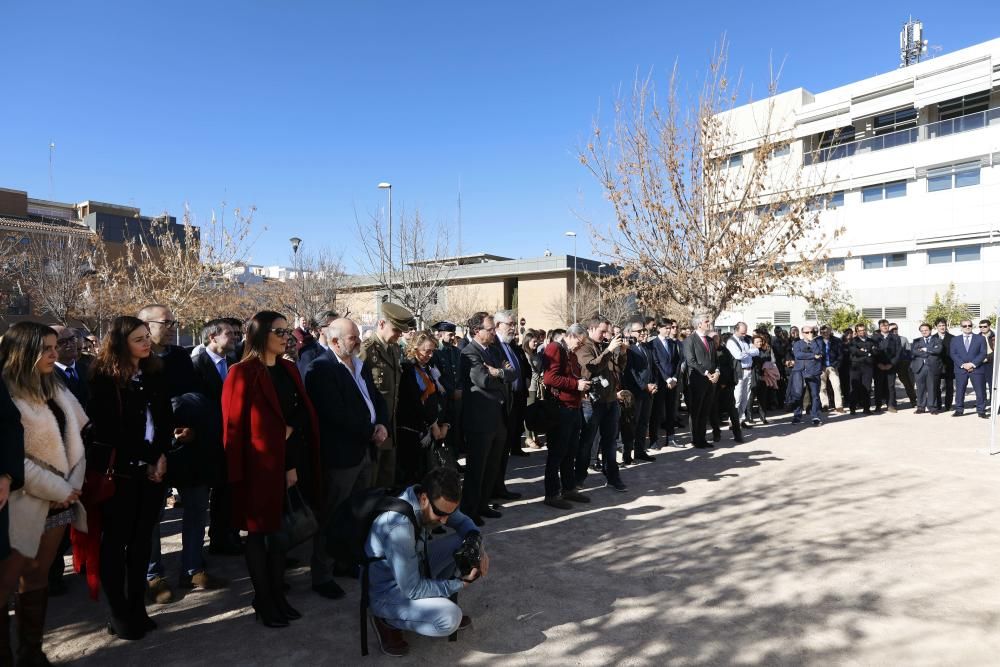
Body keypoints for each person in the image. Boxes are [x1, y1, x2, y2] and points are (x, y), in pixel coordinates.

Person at [222, 311, 321, 628]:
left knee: (280, 535)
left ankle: (276, 594)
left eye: (287, 332)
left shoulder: (289, 369)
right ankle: (264, 599)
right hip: (258, 469)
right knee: (258, 533)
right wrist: (236, 474)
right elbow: (233, 429)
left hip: (289, 463)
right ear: (260, 334)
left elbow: (304, 413)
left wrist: (289, 436)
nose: (286, 337)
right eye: (279, 331)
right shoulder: (241, 373)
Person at [0, 322, 87, 663]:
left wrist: (72, 486)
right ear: (22, 352)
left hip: (60, 502)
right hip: (21, 501)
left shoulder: (56, 386)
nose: (55, 353)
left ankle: (31, 653)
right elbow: (11, 455)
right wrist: (59, 488)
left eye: (56, 346)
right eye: (46, 348)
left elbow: (76, 436)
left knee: (37, 578)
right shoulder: (6, 391)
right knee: (4, 586)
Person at [87, 316, 171, 640]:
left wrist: (161, 455)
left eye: (147, 336)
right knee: (116, 545)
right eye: (138, 338)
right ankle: (119, 613)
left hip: (151, 474)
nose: (146, 343)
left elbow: (165, 418)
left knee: (140, 545)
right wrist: (150, 457)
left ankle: (138, 608)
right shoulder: (103, 377)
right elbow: (110, 429)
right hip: (120, 473)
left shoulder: (155, 372)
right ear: (121, 342)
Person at [306, 317, 388, 601]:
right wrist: (370, 431)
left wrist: (382, 424)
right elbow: (335, 414)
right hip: (342, 456)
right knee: (333, 514)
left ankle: (345, 561)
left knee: (357, 512)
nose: (358, 341)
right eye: (353, 337)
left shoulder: (359, 365)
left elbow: (376, 399)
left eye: (357, 336)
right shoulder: (322, 369)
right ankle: (322, 574)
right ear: (335, 340)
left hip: (366, 450)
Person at [366, 467, 486, 657]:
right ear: (423, 499)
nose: (445, 521)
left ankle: (435, 601)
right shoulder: (398, 526)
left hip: (415, 566)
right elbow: (412, 589)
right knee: (449, 618)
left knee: (465, 542)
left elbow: (465, 525)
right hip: (389, 590)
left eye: (450, 512)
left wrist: (479, 548)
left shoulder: (435, 499)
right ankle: (385, 619)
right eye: (440, 513)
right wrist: (459, 584)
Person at [138, 304, 198, 604]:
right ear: (145, 325)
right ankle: (153, 574)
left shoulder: (180, 356)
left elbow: (193, 394)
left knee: (196, 506)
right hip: (151, 449)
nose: (173, 325)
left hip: (185, 443)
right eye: (166, 321)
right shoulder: (135, 362)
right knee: (153, 514)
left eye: (174, 320)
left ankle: (192, 569)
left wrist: (189, 426)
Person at [192, 319, 245, 557]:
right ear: (212, 337)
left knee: (231, 491)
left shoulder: (235, 363)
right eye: (229, 334)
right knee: (214, 493)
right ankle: (217, 539)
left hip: (233, 440)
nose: (235, 337)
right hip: (208, 440)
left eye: (236, 334)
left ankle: (229, 535)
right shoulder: (195, 365)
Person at [459, 312, 513, 525]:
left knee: (492, 465)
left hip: (497, 417)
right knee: (477, 468)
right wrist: (500, 375)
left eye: (493, 329)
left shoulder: (493, 350)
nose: (493, 333)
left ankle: (483, 504)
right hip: (480, 419)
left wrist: (498, 373)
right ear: (476, 331)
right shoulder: (469, 353)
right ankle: (469, 509)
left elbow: (512, 373)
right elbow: (482, 380)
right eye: (489, 329)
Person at [361, 302, 415, 488]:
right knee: (372, 483)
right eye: (396, 330)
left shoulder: (394, 349)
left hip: (391, 427)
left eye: (401, 332)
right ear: (382, 324)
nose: (399, 335)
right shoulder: (366, 351)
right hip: (374, 428)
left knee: (387, 480)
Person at [539, 324, 592, 509]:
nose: (579, 346)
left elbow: (573, 377)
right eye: (579, 342)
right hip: (561, 409)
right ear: (570, 335)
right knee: (557, 453)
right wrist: (575, 385)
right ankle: (552, 493)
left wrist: (582, 386)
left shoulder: (570, 353)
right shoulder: (555, 348)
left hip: (574, 407)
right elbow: (549, 379)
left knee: (571, 452)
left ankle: (568, 488)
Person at [575, 316, 627, 491]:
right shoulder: (584, 347)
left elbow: (618, 369)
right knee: (587, 442)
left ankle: (613, 476)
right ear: (591, 329)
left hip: (610, 400)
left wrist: (623, 353)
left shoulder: (605, 346)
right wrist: (609, 350)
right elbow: (591, 367)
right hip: (592, 402)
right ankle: (579, 477)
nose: (605, 335)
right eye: (602, 331)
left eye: (607, 332)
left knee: (610, 441)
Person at [397, 331, 451, 486]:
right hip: (415, 430)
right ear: (414, 349)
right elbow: (414, 401)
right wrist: (433, 424)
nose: (430, 355)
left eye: (432, 351)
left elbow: (440, 396)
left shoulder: (429, 368)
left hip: (433, 428)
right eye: (426, 351)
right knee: (414, 476)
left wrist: (444, 423)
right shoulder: (407, 369)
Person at [491, 310, 530, 502]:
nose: (513, 328)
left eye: (514, 324)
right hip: (501, 404)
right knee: (497, 451)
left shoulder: (511, 346)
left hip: (515, 401)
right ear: (498, 326)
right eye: (510, 324)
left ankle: (499, 486)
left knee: (505, 449)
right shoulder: (494, 346)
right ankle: (493, 488)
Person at [621, 320, 657, 464]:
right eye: (639, 331)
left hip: (648, 392)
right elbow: (631, 373)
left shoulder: (647, 348)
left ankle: (640, 451)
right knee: (631, 425)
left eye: (643, 330)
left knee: (643, 423)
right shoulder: (628, 349)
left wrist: (654, 384)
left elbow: (653, 368)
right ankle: (627, 454)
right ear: (630, 333)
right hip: (635, 392)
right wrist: (644, 386)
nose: (643, 333)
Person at [683, 314, 720, 448]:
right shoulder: (690, 340)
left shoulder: (710, 340)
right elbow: (690, 361)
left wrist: (716, 372)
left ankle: (702, 438)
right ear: (699, 324)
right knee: (696, 410)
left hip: (711, 381)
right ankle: (696, 439)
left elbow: (715, 360)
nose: (708, 323)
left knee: (705, 410)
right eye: (706, 321)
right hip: (697, 380)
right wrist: (706, 373)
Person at [431, 321, 464, 467]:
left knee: (455, 431)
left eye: (453, 334)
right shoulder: (435, 353)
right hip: (443, 399)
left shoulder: (457, 352)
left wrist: (460, 389)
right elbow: (437, 377)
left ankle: (453, 460)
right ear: (440, 334)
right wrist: (452, 391)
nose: (452, 337)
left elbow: (462, 373)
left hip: (457, 399)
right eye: (450, 334)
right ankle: (441, 463)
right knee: (442, 432)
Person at [650, 319, 681, 448]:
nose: (669, 330)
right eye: (666, 328)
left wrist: (674, 378)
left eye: (670, 328)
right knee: (656, 412)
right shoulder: (653, 344)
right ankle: (654, 440)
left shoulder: (672, 343)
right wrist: (667, 379)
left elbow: (678, 362)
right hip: (660, 382)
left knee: (671, 411)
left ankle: (671, 438)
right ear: (659, 328)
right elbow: (656, 363)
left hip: (672, 383)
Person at [949, 319, 988, 418]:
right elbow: (953, 354)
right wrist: (963, 364)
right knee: (960, 390)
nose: (967, 327)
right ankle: (959, 410)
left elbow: (983, 353)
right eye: (965, 326)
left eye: (969, 325)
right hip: (960, 369)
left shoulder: (980, 339)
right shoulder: (955, 339)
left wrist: (972, 364)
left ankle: (981, 410)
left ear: (972, 326)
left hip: (977, 368)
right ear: (961, 327)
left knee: (980, 391)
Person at [725, 322, 759, 428]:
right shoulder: (731, 342)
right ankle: (733, 421)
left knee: (746, 397)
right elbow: (738, 356)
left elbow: (757, 351)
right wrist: (750, 351)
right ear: (736, 330)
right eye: (742, 333)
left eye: (745, 332)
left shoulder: (747, 340)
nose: (745, 335)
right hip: (739, 371)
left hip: (749, 370)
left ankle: (740, 419)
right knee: (737, 397)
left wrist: (746, 351)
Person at [714, 333, 744, 442]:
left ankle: (737, 433)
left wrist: (724, 382)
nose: (716, 343)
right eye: (714, 341)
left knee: (732, 410)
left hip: (726, 385)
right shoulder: (708, 351)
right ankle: (716, 433)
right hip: (713, 385)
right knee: (714, 410)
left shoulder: (725, 350)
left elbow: (729, 367)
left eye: (717, 340)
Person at [792, 325, 823, 426]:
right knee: (798, 394)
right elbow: (798, 355)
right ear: (802, 333)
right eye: (807, 332)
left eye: (811, 332)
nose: (810, 334)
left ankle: (815, 416)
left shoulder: (818, 342)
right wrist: (813, 356)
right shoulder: (797, 343)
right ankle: (797, 415)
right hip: (800, 371)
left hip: (814, 371)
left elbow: (819, 352)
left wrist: (812, 342)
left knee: (815, 395)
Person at [911, 323, 943, 414]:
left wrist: (925, 349)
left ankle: (932, 407)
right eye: (922, 330)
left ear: (930, 330)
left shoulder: (937, 340)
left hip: (932, 367)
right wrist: (930, 351)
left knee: (932, 388)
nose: (924, 332)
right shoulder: (916, 341)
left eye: (926, 330)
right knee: (920, 388)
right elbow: (914, 352)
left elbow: (938, 350)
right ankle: (920, 407)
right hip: (920, 367)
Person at [871, 319, 902, 413]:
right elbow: (872, 352)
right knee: (878, 386)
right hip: (878, 366)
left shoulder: (895, 337)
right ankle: (878, 406)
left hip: (891, 366)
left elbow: (898, 352)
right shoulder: (874, 338)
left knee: (891, 386)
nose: (885, 327)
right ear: (879, 327)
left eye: (886, 325)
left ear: (889, 326)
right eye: (882, 325)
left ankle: (891, 405)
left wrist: (891, 364)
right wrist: (878, 364)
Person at [817, 325, 845, 413]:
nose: (824, 333)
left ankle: (839, 406)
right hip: (821, 367)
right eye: (822, 331)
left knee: (836, 386)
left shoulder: (837, 340)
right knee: (822, 387)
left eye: (826, 331)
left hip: (833, 367)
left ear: (830, 331)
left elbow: (840, 355)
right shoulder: (817, 341)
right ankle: (824, 405)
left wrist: (835, 365)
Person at [848, 324, 876, 414]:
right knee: (854, 388)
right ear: (856, 332)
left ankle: (866, 408)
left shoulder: (871, 341)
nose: (862, 332)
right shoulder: (853, 341)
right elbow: (854, 351)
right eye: (860, 330)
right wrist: (867, 353)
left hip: (868, 367)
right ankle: (852, 408)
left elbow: (875, 351)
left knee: (867, 388)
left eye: (864, 330)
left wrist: (863, 351)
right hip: (856, 367)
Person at [935, 318, 955, 411]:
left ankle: (948, 405)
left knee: (949, 387)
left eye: (943, 325)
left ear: (946, 326)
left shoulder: (953, 338)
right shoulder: (932, 338)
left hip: (949, 365)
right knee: (936, 386)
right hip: (936, 366)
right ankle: (938, 405)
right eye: (940, 326)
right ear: (936, 327)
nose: (942, 327)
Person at [980, 319, 995, 401]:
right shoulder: (977, 337)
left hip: (991, 363)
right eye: (980, 327)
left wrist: (987, 358)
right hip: (980, 363)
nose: (982, 328)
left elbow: (996, 351)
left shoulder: (995, 337)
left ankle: (993, 402)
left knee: (992, 384)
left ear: (989, 326)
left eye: (985, 326)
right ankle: (982, 402)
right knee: (980, 384)